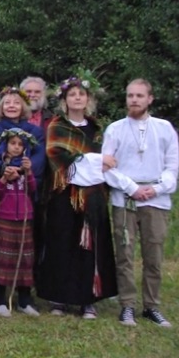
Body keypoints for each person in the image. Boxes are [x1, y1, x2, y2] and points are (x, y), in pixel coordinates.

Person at [37, 75, 119, 318]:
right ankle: (59, 298)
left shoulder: (96, 129)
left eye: (81, 94)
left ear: (88, 99)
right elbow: (57, 156)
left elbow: (109, 161)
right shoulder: (56, 126)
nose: (77, 98)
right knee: (62, 243)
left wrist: (96, 163)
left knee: (89, 246)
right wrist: (96, 161)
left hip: (92, 196)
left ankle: (87, 299)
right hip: (64, 195)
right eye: (72, 94)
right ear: (64, 100)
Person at [103, 79, 179, 327]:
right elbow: (106, 167)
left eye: (139, 95)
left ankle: (151, 306)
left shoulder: (164, 128)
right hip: (125, 199)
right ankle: (127, 304)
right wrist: (132, 188)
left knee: (153, 255)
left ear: (150, 99)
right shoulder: (115, 129)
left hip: (156, 200)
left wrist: (155, 189)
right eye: (130, 96)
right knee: (124, 254)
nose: (134, 100)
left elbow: (172, 167)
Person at [0, 86, 45, 306]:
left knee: (25, 248)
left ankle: (24, 294)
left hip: (24, 199)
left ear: (23, 106)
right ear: (1, 106)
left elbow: (40, 155)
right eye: (7, 102)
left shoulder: (34, 131)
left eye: (16, 102)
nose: (12, 106)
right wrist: (2, 168)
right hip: (2, 196)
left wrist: (24, 168)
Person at [0, 128, 39, 317]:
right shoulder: (0, 166)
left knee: (24, 259)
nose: (16, 147)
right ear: (5, 145)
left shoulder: (26, 166)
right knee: (4, 258)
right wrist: (4, 178)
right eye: (13, 143)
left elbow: (32, 189)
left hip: (24, 219)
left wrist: (29, 171)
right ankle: (0, 301)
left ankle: (24, 301)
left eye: (20, 145)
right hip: (4, 218)